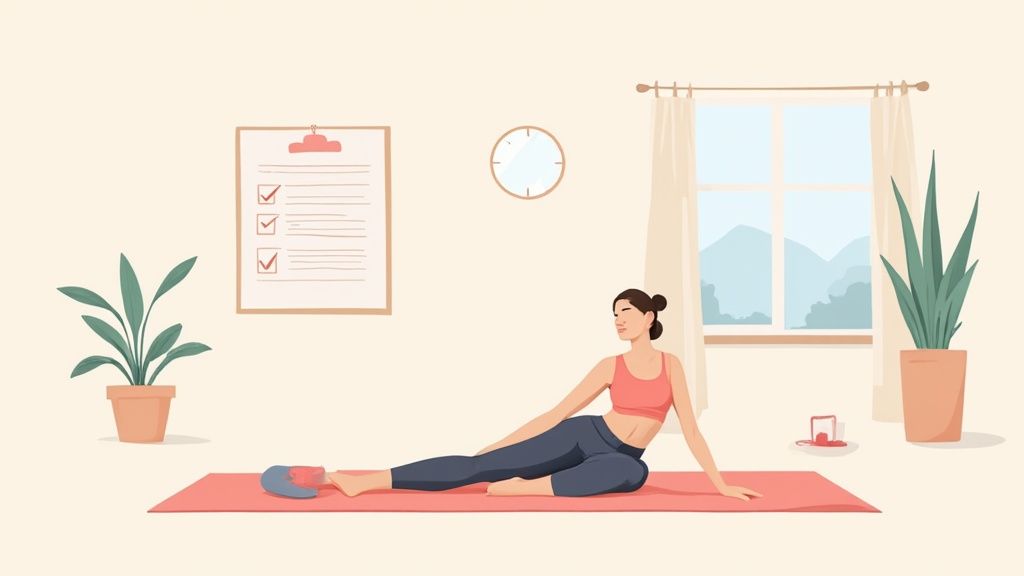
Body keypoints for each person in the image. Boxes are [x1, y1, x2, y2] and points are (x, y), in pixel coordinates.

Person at [318, 289, 761, 500]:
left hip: (620, 456)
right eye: (614, 314)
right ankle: (365, 481)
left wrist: (720, 485)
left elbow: (691, 431)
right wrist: (499, 445)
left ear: (649, 318)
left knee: (633, 473)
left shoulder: (671, 365)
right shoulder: (610, 365)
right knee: (477, 467)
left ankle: (522, 489)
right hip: (583, 436)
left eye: (626, 312)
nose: (618, 320)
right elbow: (556, 413)